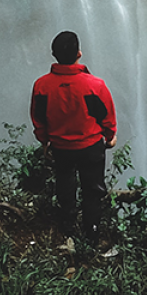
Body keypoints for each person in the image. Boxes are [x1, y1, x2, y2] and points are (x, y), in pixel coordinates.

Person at [30, 31, 117, 245]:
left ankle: (67, 230)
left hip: (61, 148)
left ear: (54, 55)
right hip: (90, 147)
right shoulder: (95, 85)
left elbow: (38, 118)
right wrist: (110, 137)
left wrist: (44, 141)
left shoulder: (42, 86)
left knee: (65, 185)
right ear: (79, 53)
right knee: (93, 190)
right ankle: (92, 235)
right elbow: (106, 115)